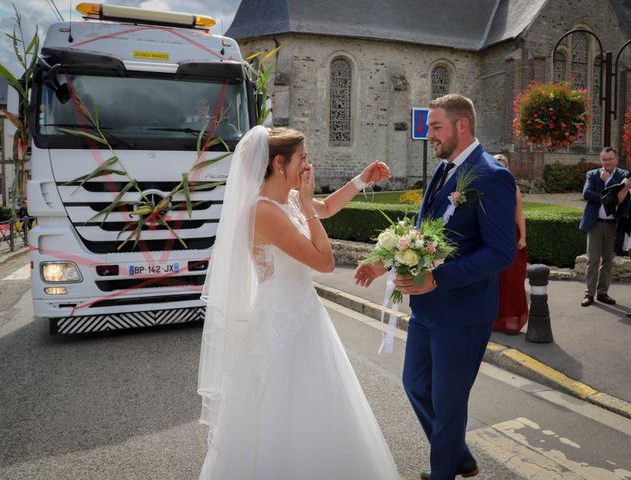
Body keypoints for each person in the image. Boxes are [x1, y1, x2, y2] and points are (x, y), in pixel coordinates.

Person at [197, 126, 399, 480]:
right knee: (286, 414)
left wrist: (361, 179)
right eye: (302, 158)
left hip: (303, 314)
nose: (308, 164)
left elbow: (325, 207)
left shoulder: (285, 199)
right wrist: (306, 205)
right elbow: (324, 262)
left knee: (320, 412)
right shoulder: (264, 211)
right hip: (283, 323)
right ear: (279, 162)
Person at [355, 94, 515, 480]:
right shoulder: (443, 170)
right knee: (414, 385)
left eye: (436, 127)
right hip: (427, 309)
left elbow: (501, 253)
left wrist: (437, 278)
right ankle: (459, 457)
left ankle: (443, 472)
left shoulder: (493, 175)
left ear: (462, 126)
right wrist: (383, 261)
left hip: (462, 312)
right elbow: (424, 230)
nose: (429, 135)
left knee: (448, 402)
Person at [579, 147, 628, 306]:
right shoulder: (592, 174)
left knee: (608, 260)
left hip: (614, 224)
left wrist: (607, 180)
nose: (607, 162)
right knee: (592, 260)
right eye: (604, 159)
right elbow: (586, 193)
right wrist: (609, 197)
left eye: (610, 159)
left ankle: (603, 293)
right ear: (601, 160)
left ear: (616, 159)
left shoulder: (623, 175)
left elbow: (624, 196)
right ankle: (589, 293)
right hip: (596, 223)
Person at [492, 154, 528, 333]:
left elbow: (519, 214)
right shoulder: (486, 186)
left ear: (507, 168)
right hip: (490, 236)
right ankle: (491, 320)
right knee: (492, 280)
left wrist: (522, 238)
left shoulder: (513, 187)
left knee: (510, 280)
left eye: (502, 165)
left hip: (509, 236)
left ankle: (510, 322)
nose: (499, 168)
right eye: (496, 164)